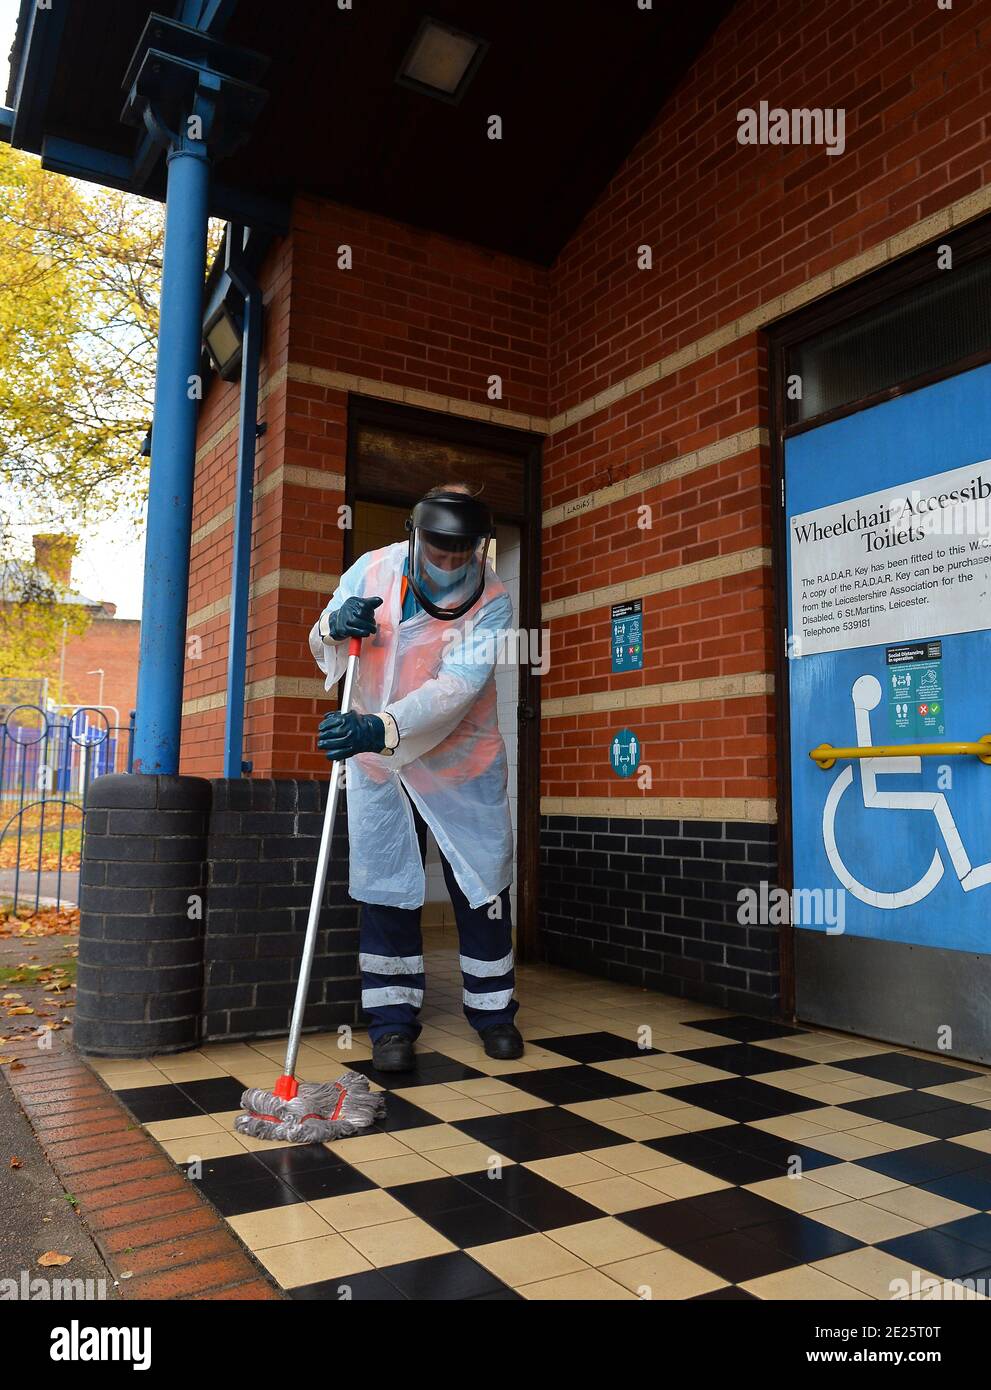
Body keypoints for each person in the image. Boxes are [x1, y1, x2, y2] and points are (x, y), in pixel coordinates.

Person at [308, 483, 523, 1072]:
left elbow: (459, 685)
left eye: (462, 548)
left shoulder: (493, 598)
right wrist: (333, 625)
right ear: (415, 532)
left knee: (480, 886)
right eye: (438, 544)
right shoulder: (370, 570)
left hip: (460, 761)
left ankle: (495, 1011)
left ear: (479, 544)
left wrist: (382, 726)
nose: (450, 559)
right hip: (378, 763)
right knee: (388, 885)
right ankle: (392, 1022)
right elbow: (320, 637)